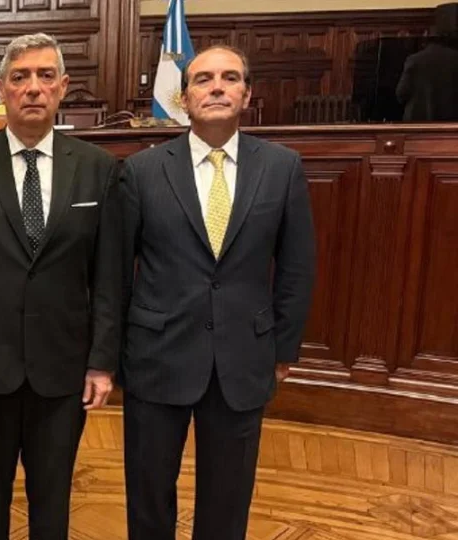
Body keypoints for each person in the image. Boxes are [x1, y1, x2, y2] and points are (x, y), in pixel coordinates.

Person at [0, 33, 122, 539]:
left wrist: (102, 361)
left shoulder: (97, 168)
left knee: (52, 502)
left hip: (63, 368)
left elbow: (109, 275)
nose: (33, 87)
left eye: (45, 75)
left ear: (63, 87)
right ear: (1, 90)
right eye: (20, 77)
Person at [119, 45, 316, 540]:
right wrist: (114, 352)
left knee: (228, 501)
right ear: (184, 97)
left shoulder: (282, 167)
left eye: (230, 78)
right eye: (203, 79)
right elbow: (115, 272)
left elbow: (296, 267)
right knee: (148, 495)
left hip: (243, 358)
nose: (217, 87)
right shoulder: (142, 171)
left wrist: (283, 349)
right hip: (156, 356)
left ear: (247, 94)